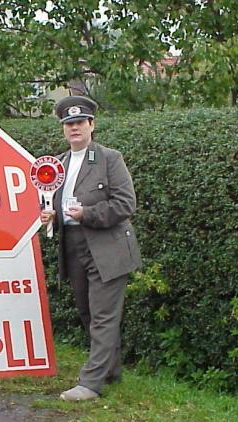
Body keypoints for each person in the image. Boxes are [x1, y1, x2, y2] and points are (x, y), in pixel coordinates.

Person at [41, 96, 142, 401]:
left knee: (102, 316)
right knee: (87, 312)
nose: (74, 128)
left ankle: (91, 384)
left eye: (79, 123)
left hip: (107, 246)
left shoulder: (109, 158)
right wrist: (50, 215)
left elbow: (126, 204)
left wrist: (87, 214)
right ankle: (110, 371)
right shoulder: (57, 164)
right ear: (63, 128)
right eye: (68, 124)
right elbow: (52, 201)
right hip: (73, 246)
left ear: (91, 125)